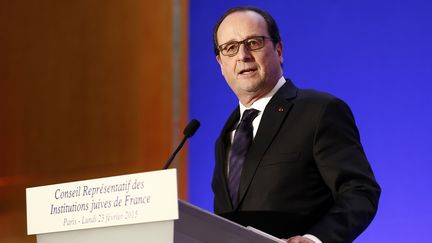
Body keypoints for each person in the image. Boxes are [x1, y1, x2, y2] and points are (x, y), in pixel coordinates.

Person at [211, 6, 381, 243]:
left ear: (278, 50)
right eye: (230, 48)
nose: (243, 55)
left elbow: (360, 192)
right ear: (220, 63)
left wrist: (315, 239)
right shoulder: (227, 134)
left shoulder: (318, 110)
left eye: (254, 42)